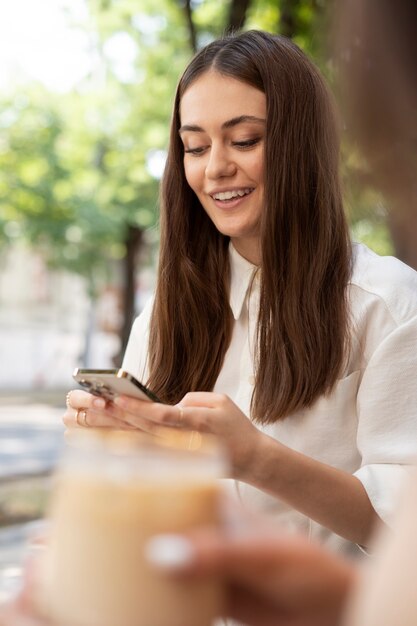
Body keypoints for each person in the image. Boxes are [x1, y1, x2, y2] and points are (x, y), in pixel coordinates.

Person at [64, 28, 417, 555]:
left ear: (303, 142)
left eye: (245, 139)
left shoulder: (388, 305)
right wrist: (115, 451)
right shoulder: (162, 318)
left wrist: (256, 458)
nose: (215, 168)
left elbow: (404, 533)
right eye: (195, 147)